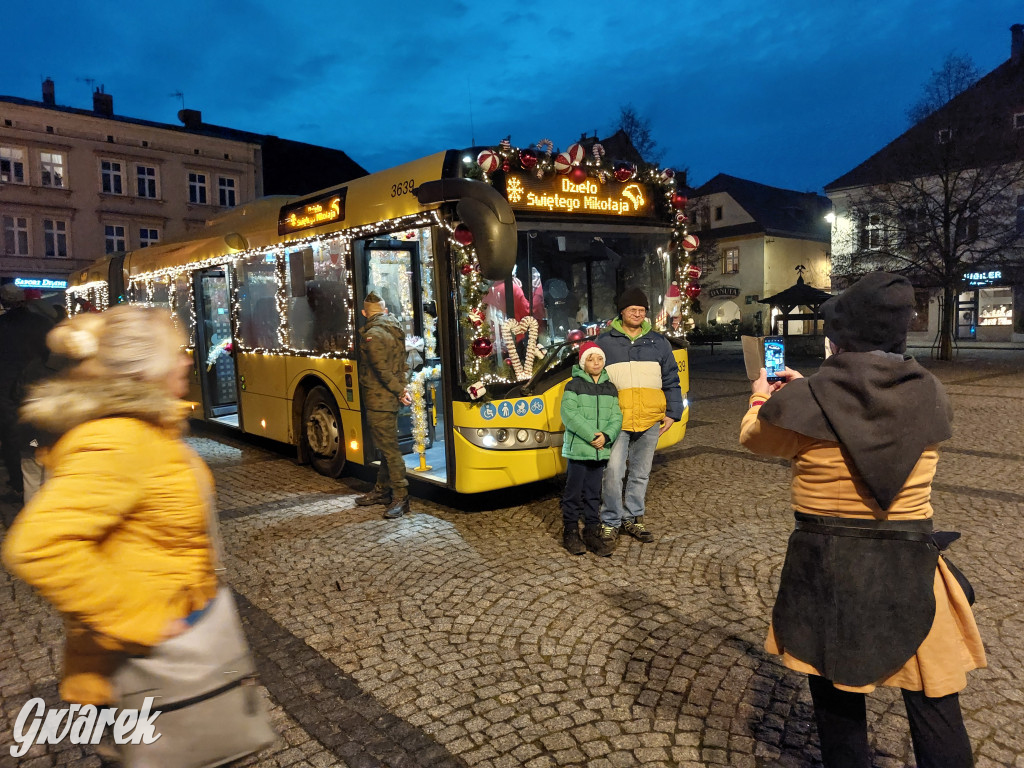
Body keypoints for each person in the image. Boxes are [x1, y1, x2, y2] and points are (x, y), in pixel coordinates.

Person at [739, 272, 985, 768]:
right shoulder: (930, 391)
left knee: (836, 697)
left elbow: (754, 436)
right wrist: (814, 391)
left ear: (838, 337)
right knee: (935, 701)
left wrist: (766, 396)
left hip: (828, 568)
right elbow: (868, 412)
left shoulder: (805, 402)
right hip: (911, 565)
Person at [2, 305, 219, 708]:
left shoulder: (146, 429)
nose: (187, 359)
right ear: (146, 369)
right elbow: (38, 546)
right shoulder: (120, 437)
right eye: (177, 352)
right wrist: (149, 620)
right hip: (137, 669)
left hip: (168, 652)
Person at [596, 287, 683, 550]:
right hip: (616, 420)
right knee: (613, 471)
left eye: (642, 310)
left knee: (641, 473)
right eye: (632, 309)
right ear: (621, 311)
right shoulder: (604, 342)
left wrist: (673, 412)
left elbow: (671, 379)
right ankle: (610, 519)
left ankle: (633, 517)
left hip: (649, 419)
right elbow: (592, 379)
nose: (637, 313)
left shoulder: (658, 342)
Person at [559, 341, 622, 557]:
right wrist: (592, 435)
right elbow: (569, 414)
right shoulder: (573, 385)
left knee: (594, 492)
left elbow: (616, 416)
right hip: (580, 448)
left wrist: (606, 436)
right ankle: (570, 531)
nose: (596, 363)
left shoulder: (610, 388)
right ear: (583, 362)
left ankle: (592, 530)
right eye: (591, 359)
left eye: (599, 359)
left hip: (599, 448)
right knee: (573, 492)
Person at [354, 291, 413, 519]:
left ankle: (401, 495)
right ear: (384, 309)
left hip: (380, 399)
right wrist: (402, 389)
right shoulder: (394, 327)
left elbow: (381, 371)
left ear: (364, 313)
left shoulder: (373, 335)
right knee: (387, 447)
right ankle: (381, 490)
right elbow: (402, 364)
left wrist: (399, 391)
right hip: (389, 397)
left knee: (390, 450)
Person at [0, 284, 56, 498]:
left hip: (6, 389)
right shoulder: (43, 324)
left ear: (4, 302)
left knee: (13, 436)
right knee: (41, 433)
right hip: (38, 384)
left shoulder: (2, 325)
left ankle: (18, 483)